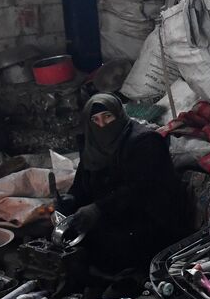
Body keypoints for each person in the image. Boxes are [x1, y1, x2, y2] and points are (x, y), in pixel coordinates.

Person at [60, 93, 187, 273]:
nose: (102, 125)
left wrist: (99, 209)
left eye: (107, 117)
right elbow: (82, 182)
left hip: (149, 218)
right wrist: (71, 198)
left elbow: (143, 190)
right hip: (112, 214)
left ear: (118, 115)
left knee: (103, 244)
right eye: (95, 120)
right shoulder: (92, 145)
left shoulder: (144, 142)